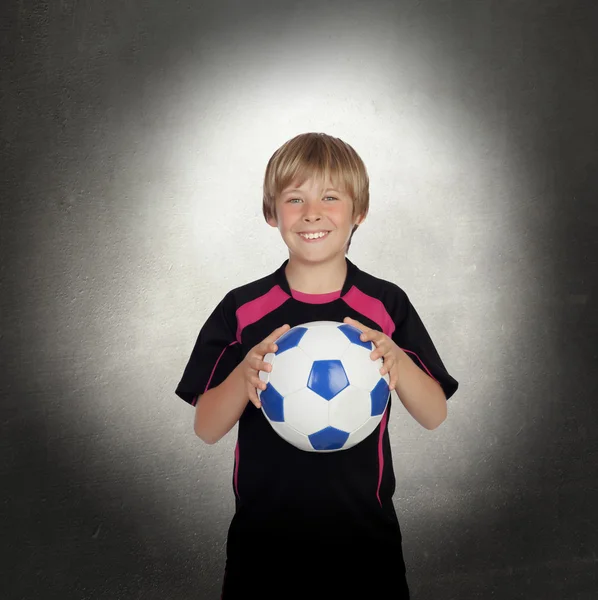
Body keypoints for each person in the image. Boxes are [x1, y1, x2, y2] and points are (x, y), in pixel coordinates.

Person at [175, 132, 459, 599]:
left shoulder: (387, 305)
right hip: (262, 544)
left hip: (366, 540)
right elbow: (206, 428)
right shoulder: (242, 309)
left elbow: (434, 415)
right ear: (272, 213)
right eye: (294, 198)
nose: (312, 212)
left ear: (358, 212)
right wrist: (244, 375)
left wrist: (398, 362)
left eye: (330, 197)